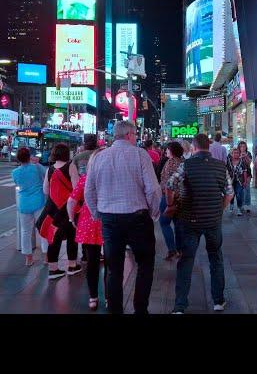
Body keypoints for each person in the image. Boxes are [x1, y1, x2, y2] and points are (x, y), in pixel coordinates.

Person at [85, 121, 161, 314]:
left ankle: (115, 310)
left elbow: (89, 192)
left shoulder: (99, 157)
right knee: (145, 263)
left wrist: (97, 213)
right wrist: (153, 212)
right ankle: (140, 309)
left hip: (109, 220)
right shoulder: (139, 154)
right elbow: (153, 189)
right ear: (129, 135)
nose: (136, 138)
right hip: (138, 218)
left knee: (113, 268)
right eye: (135, 134)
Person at [166, 133, 234, 314]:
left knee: (186, 261)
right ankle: (218, 301)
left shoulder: (186, 165)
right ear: (209, 147)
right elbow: (229, 193)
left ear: (194, 148)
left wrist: (171, 205)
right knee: (216, 258)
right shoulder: (221, 167)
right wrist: (220, 209)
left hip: (189, 220)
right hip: (213, 221)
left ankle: (180, 306)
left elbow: (170, 185)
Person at [67, 147, 107, 311]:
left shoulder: (86, 179)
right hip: (110, 221)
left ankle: (93, 297)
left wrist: (71, 218)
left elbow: (71, 201)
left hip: (89, 222)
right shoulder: (111, 178)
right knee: (112, 263)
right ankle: (110, 297)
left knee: (92, 262)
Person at [42, 143, 82, 280]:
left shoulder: (50, 169)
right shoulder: (70, 167)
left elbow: (45, 191)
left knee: (54, 238)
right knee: (72, 236)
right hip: (69, 209)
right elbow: (77, 189)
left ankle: (53, 269)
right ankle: (72, 265)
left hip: (54, 210)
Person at [12, 147, 49, 266]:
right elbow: (47, 174)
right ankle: (46, 256)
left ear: (18, 159)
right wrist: (36, 162)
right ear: (29, 156)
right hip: (39, 202)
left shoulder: (15, 172)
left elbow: (17, 183)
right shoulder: (37, 167)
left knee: (25, 231)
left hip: (23, 204)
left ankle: (28, 258)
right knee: (43, 230)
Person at [158, 141, 184, 260]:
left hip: (168, 197)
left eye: (167, 150)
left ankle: (172, 249)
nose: (166, 151)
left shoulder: (170, 163)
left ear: (172, 151)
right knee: (178, 224)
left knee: (164, 223)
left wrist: (169, 201)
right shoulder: (182, 162)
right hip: (181, 197)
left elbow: (168, 183)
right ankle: (180, 249)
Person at [226, 148, 250, 216]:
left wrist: (245, 181)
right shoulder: (228, 161)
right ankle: (231, 204)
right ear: (231, 154)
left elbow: (245, 171)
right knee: (231, 194)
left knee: (239, 194)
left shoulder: (242, 161)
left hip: (239, 181)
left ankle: (239, 208)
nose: (236, 154)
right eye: (234, 153)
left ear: (239, 154)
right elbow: (226, 171)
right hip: (230, 181)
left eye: (237, 153)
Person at [237, 141, 253, 212]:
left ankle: (247, 205)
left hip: (248, 174)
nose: (242, 148)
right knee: (240, 191)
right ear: (239, 147)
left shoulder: (248, 153)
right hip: (239, 175)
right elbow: (236, 162)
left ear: (246, 147)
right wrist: (240, 157)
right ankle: (241, 205)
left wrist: (245, 156)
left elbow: (249, 163)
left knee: (247, 190)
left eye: (244, 146)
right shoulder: (237, 153)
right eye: (241, 146)